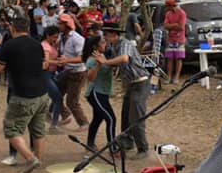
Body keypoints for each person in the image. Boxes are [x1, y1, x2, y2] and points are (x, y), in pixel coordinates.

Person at [0, 16, 50, 173]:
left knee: (11, 129)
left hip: (24, 95)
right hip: (42, 93)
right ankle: (38, 159)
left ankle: (31, 159)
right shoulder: (37, 44)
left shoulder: (9, 46)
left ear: (12, 28)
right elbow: (43, 65)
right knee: (38, 129)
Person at [97, 22, 151, 159]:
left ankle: (143, 148)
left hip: (140, 82)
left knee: (136, 116)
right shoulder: (113, 46)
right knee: (126, 114)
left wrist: (105, 62)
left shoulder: (125, 43)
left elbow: (124, 58)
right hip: (131, 84)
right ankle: (127, 140)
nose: (105, 37)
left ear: (114, 35)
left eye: (107, 35)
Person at [55, 13, 90, 130]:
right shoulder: (61, 37)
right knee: (55, 93)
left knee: (72, 101)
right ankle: (65, 115)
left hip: (78, 72)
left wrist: (67, 60)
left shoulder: (77, 38)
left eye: (60, 23)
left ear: (67, 25)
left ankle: (83, 123)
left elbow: (82, 58)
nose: (58, 25)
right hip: (68, 70)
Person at [83, 34, 117, 152]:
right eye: (102, 43)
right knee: (111, 119)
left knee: (98, 118)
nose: (105, 44)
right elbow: (91, 78)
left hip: (103, 92)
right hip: (95, 93)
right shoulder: (91, 60)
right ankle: (113, 147)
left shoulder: (103, 56)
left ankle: (90, 143)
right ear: (95, 46)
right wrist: (98, 64)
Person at [163, 0, 187, 84]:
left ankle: (176, 77)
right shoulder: (168, 14)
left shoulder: (182, 13)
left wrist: (171, 26)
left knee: (178, 58)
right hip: (170, 39)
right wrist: (175, 25)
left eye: (168, 6)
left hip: (180, 39)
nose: (167, 8)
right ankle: (169, 77)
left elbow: (181, 27)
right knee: (169, 58)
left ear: (172, 5)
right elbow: (165, 25)